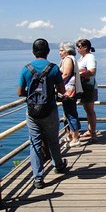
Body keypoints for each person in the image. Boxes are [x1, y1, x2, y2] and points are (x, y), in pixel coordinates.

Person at [17, 38, 68, 189]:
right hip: (50, 109)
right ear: (48, 52)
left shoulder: (26, 69)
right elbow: (62, 91)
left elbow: (20, 92)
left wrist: (32, 95)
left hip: (32, 112)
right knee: (53, 140)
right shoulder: (52, 68)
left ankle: (38, 178)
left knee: (35, 144)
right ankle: (58, 165)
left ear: (33, 52)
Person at [59, 42, 83, 147]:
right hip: (69, 90)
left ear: (67, 50)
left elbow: (66, 74)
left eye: (61, 50)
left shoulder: (68, 59)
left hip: (69, 91)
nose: (60, 52)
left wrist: (56, 85)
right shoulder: (71, 58)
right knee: (69, 113)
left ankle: (75, 138)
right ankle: (71, 136)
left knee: (71, 114)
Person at [76, 39, 98, 143]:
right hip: (83, 87)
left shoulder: (90, 57)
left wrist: (77, 74)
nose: (77, 49)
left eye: (79, 47)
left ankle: (93, 133)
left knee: (90, 110)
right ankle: (90, 130)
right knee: (87, 109)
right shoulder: (82, 58)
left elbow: (92, 71)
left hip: (89, 87)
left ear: (85, 47)